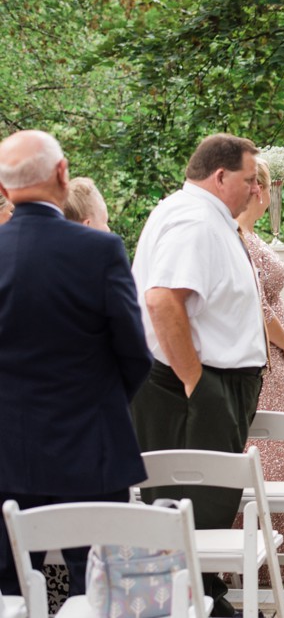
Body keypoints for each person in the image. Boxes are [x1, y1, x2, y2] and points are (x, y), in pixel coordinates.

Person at [0, 130, 151, 596]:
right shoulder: (99, 250)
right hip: (92, 448)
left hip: (5, 451)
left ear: (5, 190)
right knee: (97, 584)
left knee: (7, 588)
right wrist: (100, 403)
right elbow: (135, 353)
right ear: (62, 174)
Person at [129, 133, 266, 614]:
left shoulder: (205, 215)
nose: (256, 190)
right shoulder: (193, 220)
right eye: (249, 180)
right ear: (221, 175)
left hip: (206, 383)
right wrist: (198, 384)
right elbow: (163, 299)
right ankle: (197, 602)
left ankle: (203, 597)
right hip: (191, 388)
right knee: (195, 505)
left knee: (204, 503)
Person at [234, 157, 284, 581]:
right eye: (267, 186)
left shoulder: (252, 235)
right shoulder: (239, 238)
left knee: (276, 450)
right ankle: (259, 559)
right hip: (265, 352)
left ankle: (281, 552)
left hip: (272, 358)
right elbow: (256, 305)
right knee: (266, 448)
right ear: (257, 189)